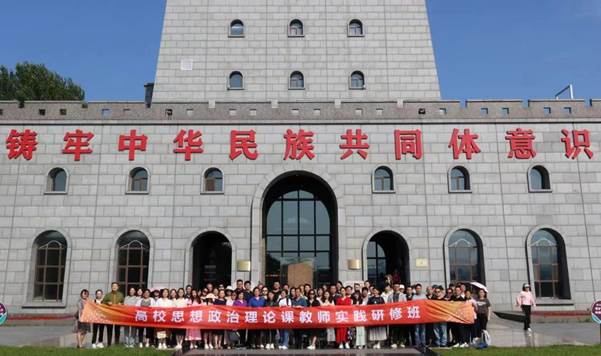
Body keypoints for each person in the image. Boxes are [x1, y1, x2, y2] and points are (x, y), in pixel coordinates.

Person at [102, 282, 124, 346]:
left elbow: (123, 302)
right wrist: (107, 303)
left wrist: (121, 304)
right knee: (109, 330)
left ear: (118, 287)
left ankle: (117, 343)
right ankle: (109, 344)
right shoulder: (108, 295)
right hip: (110, 315)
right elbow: (103, 302)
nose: (114, 287)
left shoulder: (121, 295)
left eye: (115, 286)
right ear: (111, 287)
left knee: (117, 330)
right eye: (113, 286)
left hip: (118, 315)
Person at [387, 282, 407, 348]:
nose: (396, 288)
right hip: (393, 314)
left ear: (399, 287)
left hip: (400, 314)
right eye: (395, 286)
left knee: (401, 329)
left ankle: (401, 342)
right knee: (394, 329)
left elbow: (405, 305)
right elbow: (388, 305)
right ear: (393, 287)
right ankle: (394, 342)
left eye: (397, 287)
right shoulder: (390, 296)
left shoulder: (403, 295)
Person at [412, 284, 427, 348]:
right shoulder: (414, 297)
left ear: (421, 289)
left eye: (419, 288)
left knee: (423, 330)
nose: (418, 289)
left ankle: (423, 343)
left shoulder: (424, 296)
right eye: (417, 288)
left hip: (423, 315)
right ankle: (418, 343)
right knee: (417, 330)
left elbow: (427, 304)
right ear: (415, 289)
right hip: (416, 315)